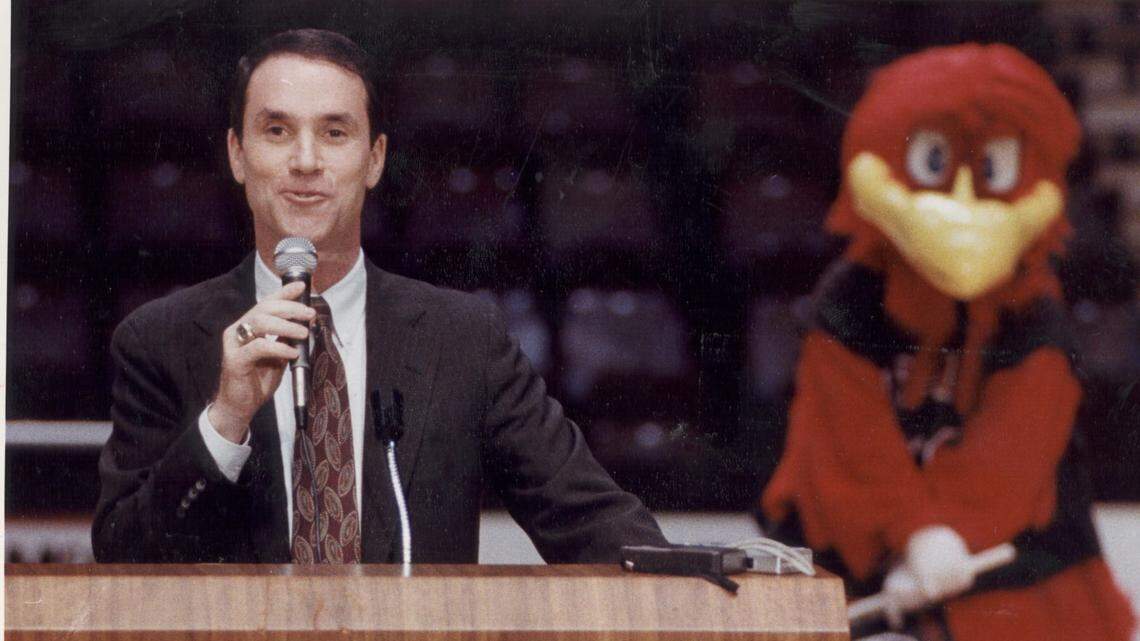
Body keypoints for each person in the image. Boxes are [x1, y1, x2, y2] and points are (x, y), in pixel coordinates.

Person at [93, 28, 667, 564]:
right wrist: (226, 419)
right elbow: (121, 559)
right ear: (238, 155)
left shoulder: (463, 339)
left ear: (375, 160)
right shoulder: (159, 340)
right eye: (277, 131)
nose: (306, 161)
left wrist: (703, 581)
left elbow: (588, 519)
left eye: (335, 133)